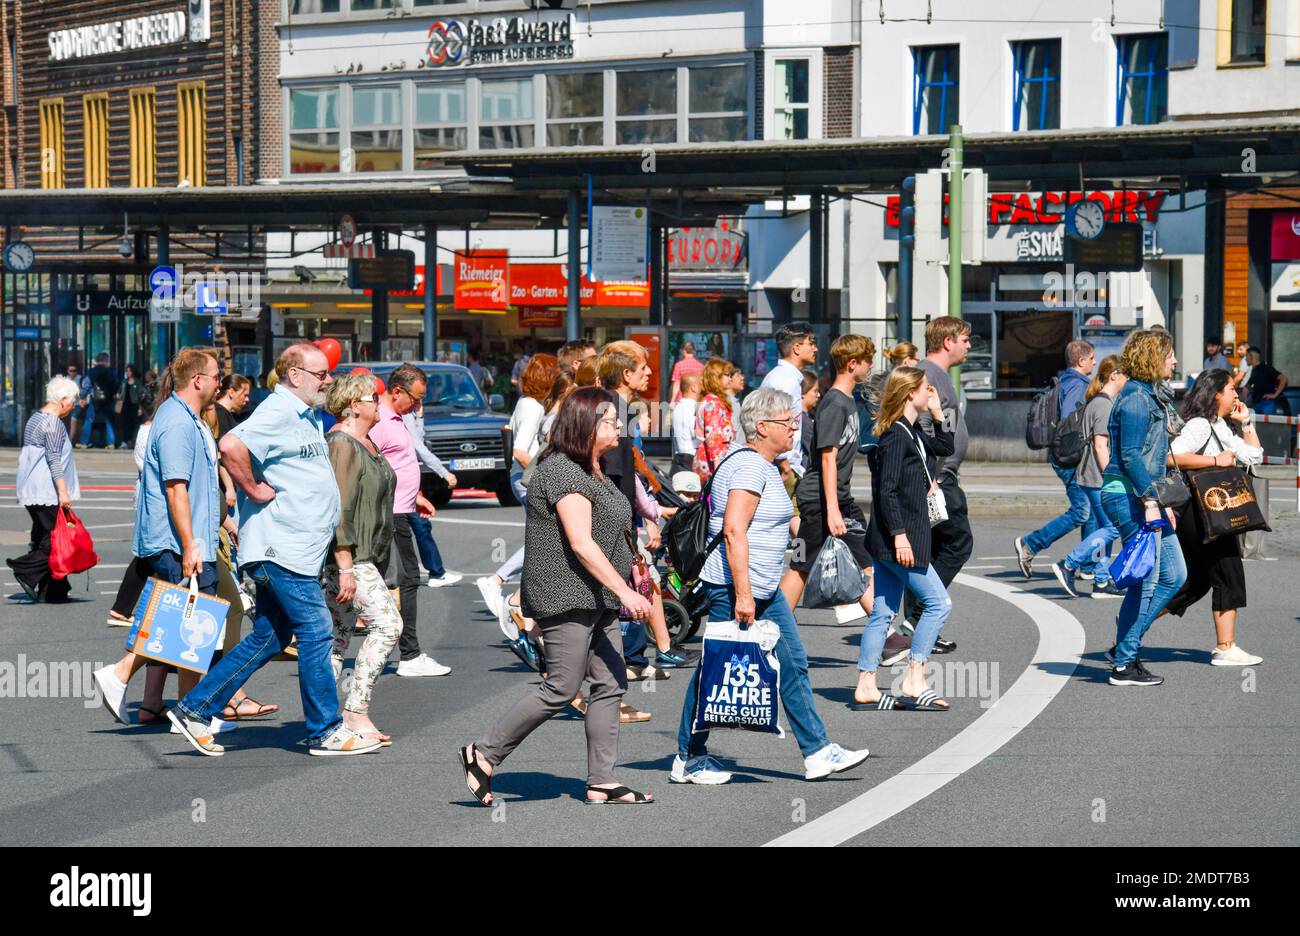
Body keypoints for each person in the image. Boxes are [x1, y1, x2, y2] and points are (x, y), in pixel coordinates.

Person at [166, 342, 376, 756]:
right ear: (295, 375)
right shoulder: (278, 411)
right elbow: (230, 446)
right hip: (281, 548)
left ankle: (194, 709)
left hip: (294, 548)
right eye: (321, 374)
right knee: (316, 630)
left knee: (270, 637)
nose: (328, 380)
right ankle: (325, 729)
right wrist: (251, 487)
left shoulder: (305, 415)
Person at [459, 388, 655, 806]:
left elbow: (609, 528)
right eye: (610, 420)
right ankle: (483, 752)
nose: (620, 426)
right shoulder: (563, 472)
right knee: (563, 687)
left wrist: (630, 565)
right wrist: (625, 591)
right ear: (585, 424)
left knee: (610, 681)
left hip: (596, 595)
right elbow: (581, 543)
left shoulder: (594, 468)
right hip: (567, 594)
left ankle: (602, 780)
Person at [670, 388, 870, 785]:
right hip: (736, 588)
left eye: (795, 420)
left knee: (793, 663)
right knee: (715, 672)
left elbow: (773, 524)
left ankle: (817, 752)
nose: (795, 427)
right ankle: (688, 758)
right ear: (762, 427)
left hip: (763, 589)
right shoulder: (749, 468)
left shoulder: (766, 465)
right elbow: (733, 531)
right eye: (787, 421)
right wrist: (743, 594)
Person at [91, 349, 235, 723]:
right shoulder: (177, 423)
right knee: (184, 621)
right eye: (217, 376)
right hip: (177, 541)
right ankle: (123, 673)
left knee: (189, 623)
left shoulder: (191, 419)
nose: (222, 383)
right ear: (198, 380)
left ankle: (187, 708)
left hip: (188, 539)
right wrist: (190, 545)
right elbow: (176, 489)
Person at [853, 367, 955, 711]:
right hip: (901, 538)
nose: (932, 393)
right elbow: (887, 492)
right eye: (927, 389)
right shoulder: (896, 436)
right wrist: (900, 537)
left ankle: (866, 683)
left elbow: (944, 446)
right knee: (939, 604)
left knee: (882, 612)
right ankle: (914, 677)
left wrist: (941, 416)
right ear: (910, 393)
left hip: (891, 539)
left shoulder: (908, 430)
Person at [1100, 329, 1188, 687]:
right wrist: (1151, 500)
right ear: (1154, 356)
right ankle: (1124, 662)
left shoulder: (1150, 395)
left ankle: (1125, 646)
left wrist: (1159, 499)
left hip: (1144, 495)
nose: (1175, 360)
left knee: (1175, 575)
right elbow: (1131, 455)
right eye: (1170, 354)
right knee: (1146, 579)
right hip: (1128, 495)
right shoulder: (1137, 399)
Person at [322, 373, 403, 746]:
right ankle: (354, 711)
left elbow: (375, 488)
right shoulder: (342, 443)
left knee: (338, 637)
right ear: (354, 405)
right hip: (350, 558)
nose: (379, 404)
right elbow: (337, 509)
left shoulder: (365, 441)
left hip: (367, 555)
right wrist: (345, 566)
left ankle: (324, 715)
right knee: (387, 626)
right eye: (374, 398)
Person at [784, 335, 885, 630]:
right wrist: (832, 510)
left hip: (838, 499)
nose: (870, 367)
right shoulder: (834, 404)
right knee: (800, 567)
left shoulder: (848, 402)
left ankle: (885, 634)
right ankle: (774, 629)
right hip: (821, 501)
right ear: (853, 364)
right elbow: (827, 458)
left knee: (864, 561)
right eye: (867, 361)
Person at [1165, 369, 1264, 667]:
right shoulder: (1198, 425)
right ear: (1216, 393)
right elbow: (1170, 456)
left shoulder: (1218, 425)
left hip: (1212, 511)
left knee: (1193, 583)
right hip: (1203, 512)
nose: (1237, 394)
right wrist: (1213, 460)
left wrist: (1246, 422)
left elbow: (1253, 456)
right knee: (1229, 574)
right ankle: (1225, 647)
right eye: (1232, 389)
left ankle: (1133, 623)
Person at [475, 354, 561, 658]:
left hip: (524, 478)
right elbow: (522, 451)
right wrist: (545, 477)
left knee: (542, 538)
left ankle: (508, 589)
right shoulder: (533, 406)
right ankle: (498, 582)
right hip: (527, 478)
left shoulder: (529, 403)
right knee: (545, 538)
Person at [370, 364, 450, 678]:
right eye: (415, 399)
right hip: (389, 515)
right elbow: (367, 466)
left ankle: (335, 648)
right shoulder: (380, 422)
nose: (417, 406)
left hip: (402, 508)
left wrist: (415, 495)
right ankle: (410, 655)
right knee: (406, 580)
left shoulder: (397, 418)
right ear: (398, 391)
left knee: (394, 580)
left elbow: (397, 464)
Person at [903, 317, 973, 654]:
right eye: (964, 339)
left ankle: (920, 626)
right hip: (937, 479)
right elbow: (924, 426)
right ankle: (918, 618)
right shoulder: (929, 374)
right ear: (948, 342)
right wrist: (930, 475)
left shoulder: (936, 374)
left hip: (940, 476)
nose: (968, 345)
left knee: (925, 551)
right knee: (958, 544)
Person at [1015, 340, 1097, 578]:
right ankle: (1031, 543)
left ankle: (1088, 566)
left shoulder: (1065, 381)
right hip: (1069, 455)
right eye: (1091, 358)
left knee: (1089, 509)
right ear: (1081, 361)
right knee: (1082, 511)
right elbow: (1071, 422)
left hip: (1063, 453)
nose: (1094, 361)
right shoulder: (1077, 386)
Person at [1049, 356, 1127, 599]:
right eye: (1126, 375)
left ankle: (1101, 582)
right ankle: (1069, 563)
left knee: (1106, 527)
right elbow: (1100, 445)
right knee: (1113, 528)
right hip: (1098, 477)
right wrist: (1111, 476)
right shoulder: (1104, 406)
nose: (1128, 381)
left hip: (1089, 475)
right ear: (1114, 375)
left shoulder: (1095, 402)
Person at [8, 375, 81, 603]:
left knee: (42, 535)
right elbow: (53, 459)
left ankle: (53, 590)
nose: (74, 405)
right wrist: (64, 491)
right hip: (46, 491)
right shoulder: (54, 424)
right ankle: (25, 569)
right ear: (62, 399)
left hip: (31, 489)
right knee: (54, 539)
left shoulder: (36, 418)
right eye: (73, 400)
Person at [760, 324, 819, 504]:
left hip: (787, 466)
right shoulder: (784, 380)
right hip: (781, 467)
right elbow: (775, 422)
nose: (815, 348)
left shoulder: (788, 378)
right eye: (811, 343)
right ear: (797, 348)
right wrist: (785, 465)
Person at [403, 404, 460, 588]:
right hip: (401, 481)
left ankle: (435, 572)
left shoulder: (407, 413)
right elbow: (418, 446)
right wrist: (444, 472)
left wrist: (419, 417)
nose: (418, 401)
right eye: (417, 396)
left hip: (409, 480)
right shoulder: (399, 413)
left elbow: (418, 438)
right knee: (413, 528)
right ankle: (431, 573)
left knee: (420, 526)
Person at [692, 357, 736, 483]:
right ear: (716, 377)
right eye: (727, 375)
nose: (730, 378)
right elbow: (714, 440)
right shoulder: (713, 403)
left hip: (707, 462)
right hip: (713, 466)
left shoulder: (708, 399)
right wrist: (719, 474)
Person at [84, 352, 119, 449]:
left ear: (97, 361)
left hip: (94, 399)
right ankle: (111, 443)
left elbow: (86, 385)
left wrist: (83, 397)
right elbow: (116, 385)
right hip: (108, 399)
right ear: (106, 361)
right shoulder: (112, 371)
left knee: (89, 419)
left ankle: (84, 442)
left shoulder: (91, 371)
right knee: (109, 421)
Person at [671, 373, 703, 475]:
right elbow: (698, 434)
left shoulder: (678, 407)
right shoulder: (693, 407)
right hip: (691, 459)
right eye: (701, 384)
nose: (703, 388)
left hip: (678, 458)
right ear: (694, 388)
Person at [1244, 347, 1288, 415]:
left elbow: (1283, 379)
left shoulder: (1266, 368)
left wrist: (1275, 395)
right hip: (1256, 404)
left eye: (1246, 356)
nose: (1245, 359)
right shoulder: (1254, 370)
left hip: (1266, 404)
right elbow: (1248, 384)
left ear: (1251, 356)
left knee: (1268, 425)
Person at [116, 364, 145, 449]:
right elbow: (120, 391)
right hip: (124, 405)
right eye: (127, 371)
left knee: (133, 424)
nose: (128, 373)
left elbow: (141, 395)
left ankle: (132, 441)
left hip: (134, 405)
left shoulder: (137, 382)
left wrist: (140, 408)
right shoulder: (124, 381)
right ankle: (125, 441)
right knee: (125, 423)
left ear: (133, 372)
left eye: (129, 371)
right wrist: (118, 395)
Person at [798, 368, 819, 469]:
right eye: (815, 391)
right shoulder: (804, 421)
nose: (818, 395)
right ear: (803, 393)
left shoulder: (806, 417)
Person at [67, 363, 88, 445]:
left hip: (78, 405)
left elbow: (84, 391)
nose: (72, 372)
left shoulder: (80, 379)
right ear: (68, 371)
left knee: (73, 423)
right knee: (76, 424)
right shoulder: (66, 380)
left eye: (74, 370)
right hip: (68, 405)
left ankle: (69, 442)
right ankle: (76, 441)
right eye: (71, 371)